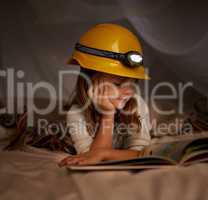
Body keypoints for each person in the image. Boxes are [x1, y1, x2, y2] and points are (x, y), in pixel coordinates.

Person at [59, 23, 151, 166]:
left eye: (133, 83)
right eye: (118, 84)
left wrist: (104, 153)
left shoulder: (137, 104)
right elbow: (90, 159)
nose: (129, 91)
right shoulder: (76, 114)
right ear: (90, 82)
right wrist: (107, 115)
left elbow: (143, 153)